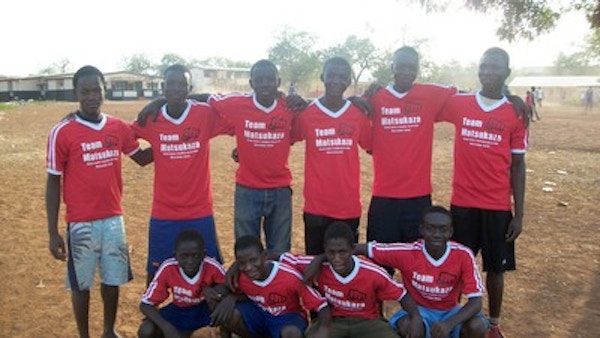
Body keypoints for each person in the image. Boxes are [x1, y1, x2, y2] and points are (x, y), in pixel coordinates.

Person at [45, 65, 153, 338]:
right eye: (85, 91)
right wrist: (52, 231)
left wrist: (170, 141)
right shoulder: (63, 131)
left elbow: (140, 158)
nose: (92, 96)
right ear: (76, 93)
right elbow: (53, 181)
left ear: (105, 90)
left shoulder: (117, 126)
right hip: (80, 222)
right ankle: (84, 335)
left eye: (97, 90)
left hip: (113, 218)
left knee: (112, 279)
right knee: (81, 285)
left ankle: (109, 330)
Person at [439, 47, 527, 338]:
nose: (488, 73)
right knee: (455, 265)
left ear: (507, 73)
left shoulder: (515, 112)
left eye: (495, 68)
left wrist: (519, 214)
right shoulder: (459, 103)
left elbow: (517, 165)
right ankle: (448, 318)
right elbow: (424, 100)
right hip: (462, 204)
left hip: (497, 206)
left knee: (496, 270)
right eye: (483, 67)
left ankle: (494, 324)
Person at [131, 64, 233, 285]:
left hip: (200, 210)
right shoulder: (152, 118)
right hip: (164, 212)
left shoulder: (204, 114)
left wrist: (241, 149)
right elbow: (124, 138)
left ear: (189, 88)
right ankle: (152, 312)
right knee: (155, 271)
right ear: (162, 87)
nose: (176, 89)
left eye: (182, 85)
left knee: (213, 270)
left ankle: (217, 315)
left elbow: (238, 119)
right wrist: (160, 148)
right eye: (171, 84)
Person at [365, 46, 457, 274]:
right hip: (384, 197)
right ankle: (378, 311)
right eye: (401, 66)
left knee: (417, 265)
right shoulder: (374, 98)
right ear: (391, 67)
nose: (406, 71)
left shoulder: (430, 94)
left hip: (418, 198)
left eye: (411, 67)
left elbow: (469, 97)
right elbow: (346, 108)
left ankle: (416, 311)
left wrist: (509, 96)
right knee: (379, 265)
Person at [355, 206, 489, 338]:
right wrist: (340, 251)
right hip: (419, 310)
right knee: (407, 325)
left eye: (443, 229)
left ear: (450, 232)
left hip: (450, 312)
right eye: (430, 228)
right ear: (421, 230)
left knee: (477, 326)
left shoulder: (463, 255)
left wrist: (449, 324)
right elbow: (369, 249)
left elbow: (476, 302)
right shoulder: (408, 253)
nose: (437, 234)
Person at [207, 60, 296, 256]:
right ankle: (249, 288)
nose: (265, 84)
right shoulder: (238, 104)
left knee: (280, 252)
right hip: (247, 190)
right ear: (251, 83)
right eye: (259, 79)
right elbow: (211, 99)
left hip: (280, 190)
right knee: (247, 252)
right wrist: (161, 101)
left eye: (270, 79)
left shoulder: (290, 107)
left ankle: (277, 287)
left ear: (278, 81)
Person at [281, 221, 424, 338]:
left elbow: (402, 295)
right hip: (334, 321)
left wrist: (416, 317)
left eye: (342, 252)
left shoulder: (373, 272)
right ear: (325, 249)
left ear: (352, 249)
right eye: (331, 253)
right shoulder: (317, 266)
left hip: (368, 322)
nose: (337, 258)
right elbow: (279, 258)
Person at [291, 56, 372, 255]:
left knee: (344, 264)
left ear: (348, 81)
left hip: (348, 207)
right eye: (331, 75)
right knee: (316, 262)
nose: (336, 81)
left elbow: (372, 147)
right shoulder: (307, 114)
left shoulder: (357, 114)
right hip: (316, 207)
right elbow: (283, 138)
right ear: (322, 77)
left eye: (342, 77)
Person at [211, 235, 331, 338]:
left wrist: (323, 329)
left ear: (265, 256)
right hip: (259, 314)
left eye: (253, 260)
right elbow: (227, 291)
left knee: (291, 333)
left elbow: (321, 305)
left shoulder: (289, 277)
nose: (248, 267)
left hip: (287, 317)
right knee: (226, 310)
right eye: (242, 263)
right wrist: (231, 297)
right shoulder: (240, 276)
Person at [138, 229, 231, 338]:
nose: (190, 261)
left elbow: (229, 287)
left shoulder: (212, 267)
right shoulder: (168, 268)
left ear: (204, 255)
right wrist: (167, 327)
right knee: (146, 330)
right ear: (175, 256)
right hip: (179, 311)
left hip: (204, 311)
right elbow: (145, 304)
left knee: (224, 301)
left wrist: (212, 289)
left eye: (195, 256)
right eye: (184, 256)